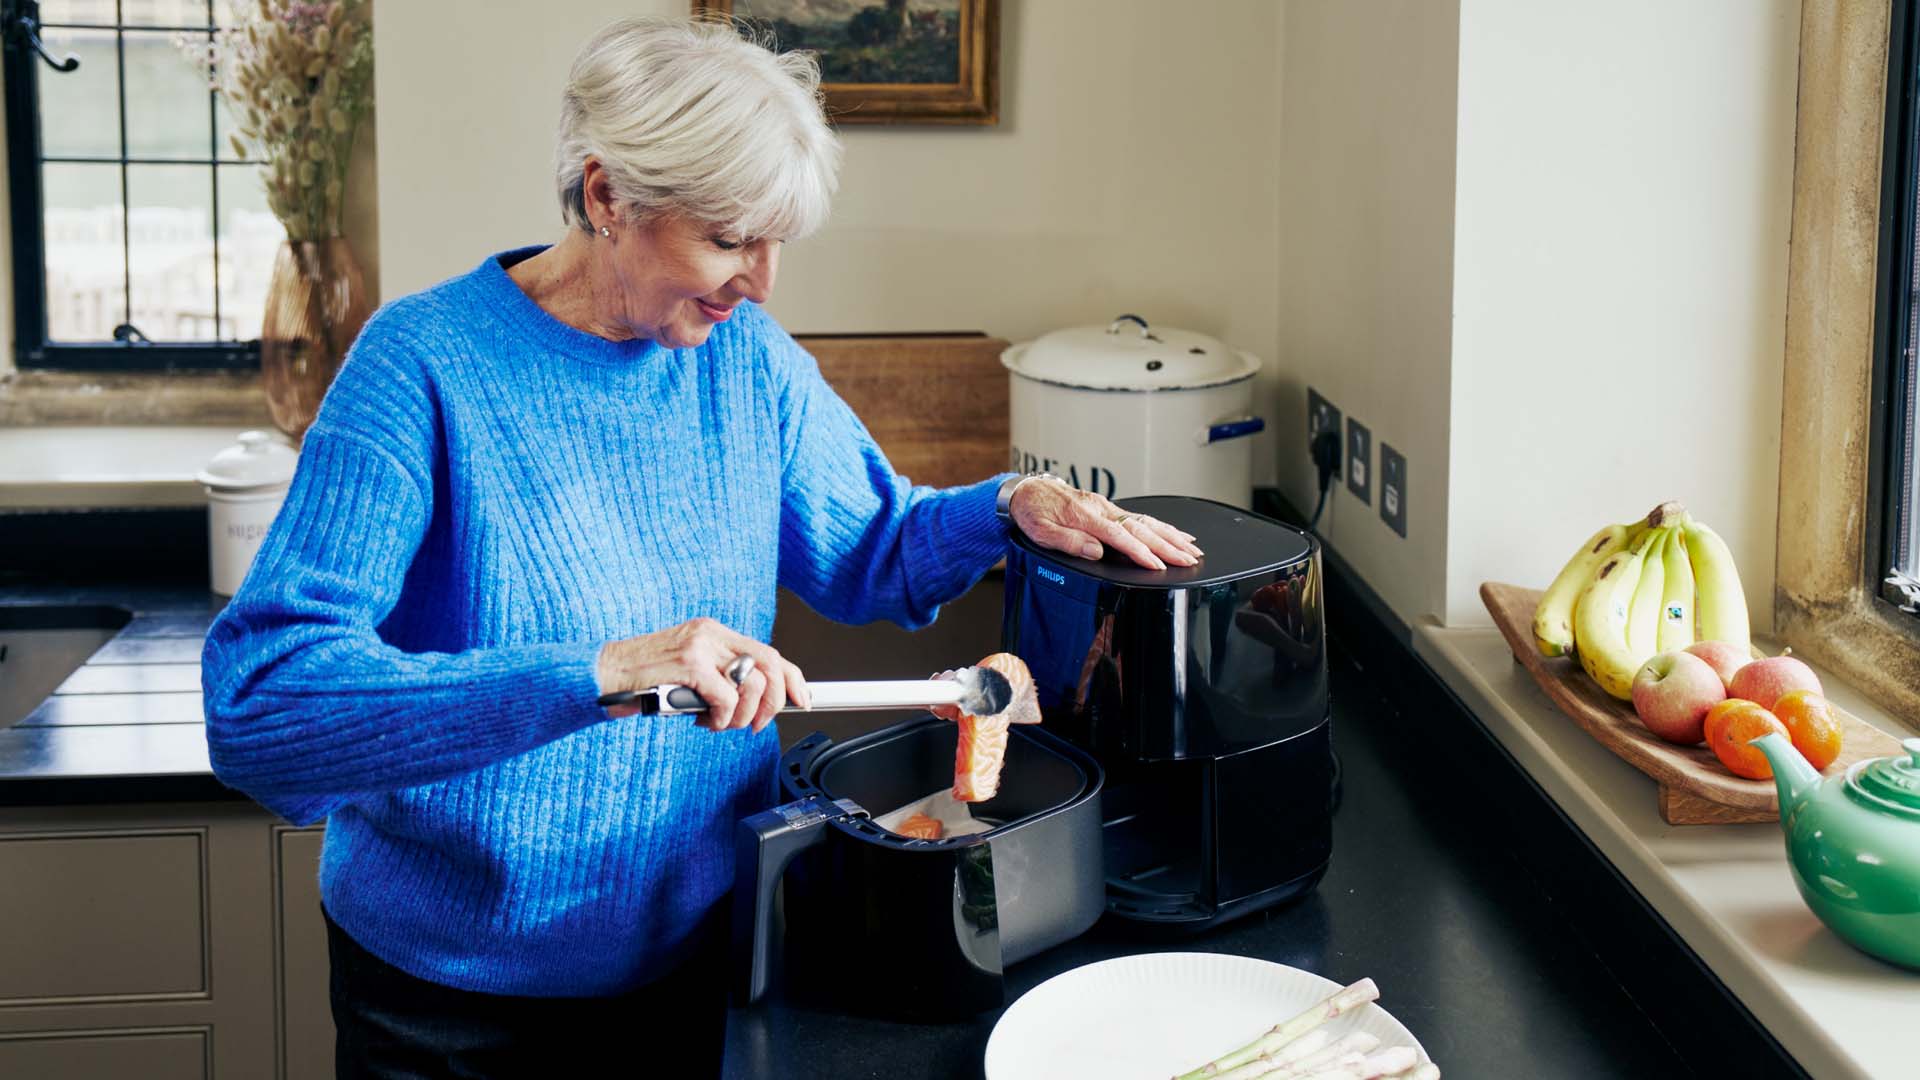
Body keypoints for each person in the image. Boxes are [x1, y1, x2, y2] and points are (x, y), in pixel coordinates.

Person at [201, 15, 1201, 1079]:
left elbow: (879, 549)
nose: (763, 282)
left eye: (777, 243)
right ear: (605, 198)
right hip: (453, 1005)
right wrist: (600, 675)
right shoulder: (420, 366)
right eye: (729, 239)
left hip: (705, 962)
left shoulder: (746, 361)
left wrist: (1011, 507)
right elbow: (265, 708)